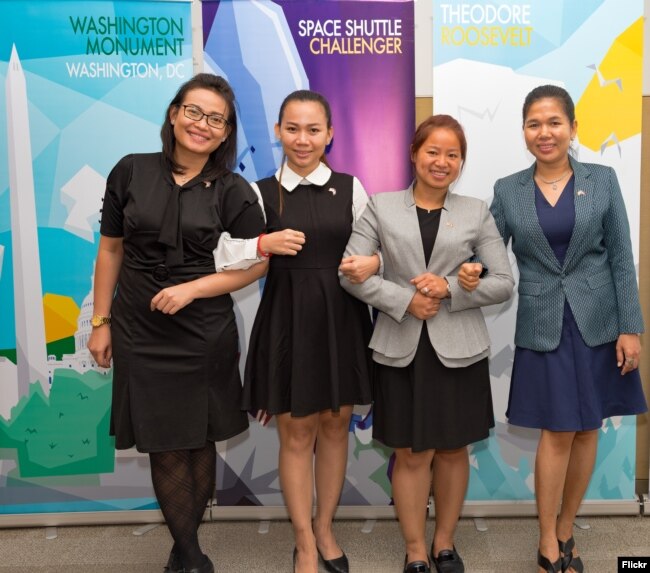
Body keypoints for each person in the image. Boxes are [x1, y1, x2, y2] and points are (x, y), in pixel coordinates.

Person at [87, 73, 267, 573]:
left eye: (216, 119)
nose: (202, 125)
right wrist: (100, 321)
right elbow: (110, 250)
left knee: (199, 437)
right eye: (194, 112)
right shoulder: (129, 171)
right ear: (173, 113)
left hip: (204, 327)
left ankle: (184, 553)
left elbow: (256, 263)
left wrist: (191, 289)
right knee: (164, 440)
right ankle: (190, 554)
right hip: (139, 326)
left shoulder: (234, 189)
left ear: (227, 132)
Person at [470, 84, 647, 573]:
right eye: (534, 123)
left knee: (588, 428)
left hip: (600, 322)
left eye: (554, 122)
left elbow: (621, 260)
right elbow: (486, 253)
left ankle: (568, 526)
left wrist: (631, 328)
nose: (544, 132)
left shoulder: (604, 180)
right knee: (557, 431)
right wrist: (468, 272)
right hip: (543, 322)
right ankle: (548, 539)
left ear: (572, 128)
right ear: (523, 131)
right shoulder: (508, 190)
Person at [340, 115, 514, 573]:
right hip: (400, 346)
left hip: (459, 349)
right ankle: (415, 548)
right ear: (414, 154)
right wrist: (405, 299)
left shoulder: (476, 210)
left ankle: (444, 543)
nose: (442, 162)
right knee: (411, 453)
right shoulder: (380, 206)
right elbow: (350, 270)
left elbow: (503, 283)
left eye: (452, 154)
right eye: (432, 151)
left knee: (454, 450)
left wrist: (451, 288)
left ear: (461, 162)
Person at [215, 89, 377, 573]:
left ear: (330, 134)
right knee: (296, 434)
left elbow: (382, 247)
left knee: (334, 427)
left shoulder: (352, 188)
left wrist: (375, 260)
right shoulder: (258, 192)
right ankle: (303, 541)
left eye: (312, 129)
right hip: (285, 321)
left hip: (341, 320)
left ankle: (326, 529)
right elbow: (224, 253)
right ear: (279, 132)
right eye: (292, 128)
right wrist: (263, 242)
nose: (302, 139)